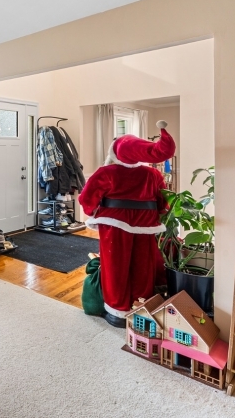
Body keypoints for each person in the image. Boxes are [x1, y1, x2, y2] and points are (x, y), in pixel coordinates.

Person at [78, 121, 175, 328]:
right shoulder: (153, 174)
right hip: (146, 225)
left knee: (116, 267)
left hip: (114, 225)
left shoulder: (106, 173)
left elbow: (87, 199)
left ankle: (117, 311)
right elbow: (163, 202)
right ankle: (140, 307)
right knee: (143, 266)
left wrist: (92, 212)